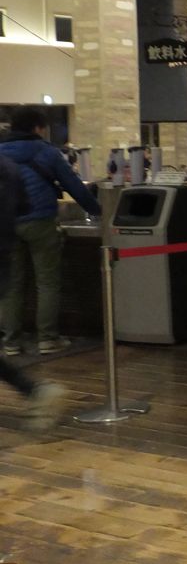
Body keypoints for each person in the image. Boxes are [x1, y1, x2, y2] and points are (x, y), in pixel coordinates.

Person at [0, 107, 102, 355]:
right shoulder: (46, 152)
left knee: (11, 284)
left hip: (7, 222)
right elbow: (73, 186)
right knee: (47, 282)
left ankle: (11, 342)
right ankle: (47, 339)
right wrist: (97, 210)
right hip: (40, 221)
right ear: (38, 128)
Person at [0, 153, 66, 428]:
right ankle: (35, 389)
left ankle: (34, 389)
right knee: (46, 282)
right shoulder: (9, 166)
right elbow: (24, 206)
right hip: (3, 255)